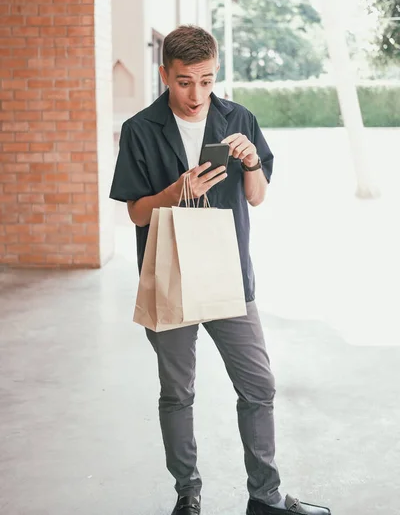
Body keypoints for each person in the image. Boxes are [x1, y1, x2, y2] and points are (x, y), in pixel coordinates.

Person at [109, 26, 330, 515]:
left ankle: (265, 497)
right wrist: (176, 189)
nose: (197, 94)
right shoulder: (141, 129)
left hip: (230, 273)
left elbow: (256, 196)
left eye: (207, 81)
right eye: (185, 82)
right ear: (164, 74)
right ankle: (188, 495)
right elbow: (136, 213)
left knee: (258, 386)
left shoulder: (239, 118)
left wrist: (252, 163)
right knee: (177, 392)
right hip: (170, 277)